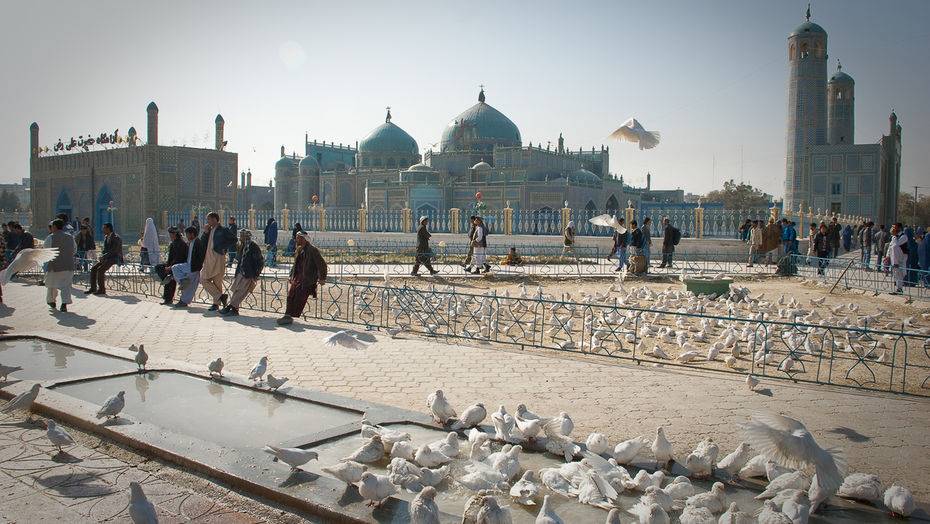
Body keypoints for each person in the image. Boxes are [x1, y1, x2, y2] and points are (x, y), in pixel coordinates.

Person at [278, 232, 327, 325]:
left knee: (299, 298)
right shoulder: (299, 249)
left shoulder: (313, 250)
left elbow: (322, 265)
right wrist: (291, 275)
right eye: (296, 238)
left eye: (298, 238)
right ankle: (287, 316)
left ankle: (290, 316)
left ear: (304, 239)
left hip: (307, 279)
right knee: (290, 296)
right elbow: (295, 265)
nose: (296, 240)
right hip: (297, 278)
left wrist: (322, 278)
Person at [199, 212, 237, 312]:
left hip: (218, 257)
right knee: (203, 279)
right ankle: (220, 296)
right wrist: (205, 232)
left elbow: (234, 239)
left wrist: (224, 248)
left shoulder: (223, 230)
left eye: (209, 219)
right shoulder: (209, 230)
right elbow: (203, 243)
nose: (208, 222)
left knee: (217, 282)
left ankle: (216, 304)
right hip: (208, 258)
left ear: (215, 219)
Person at [222, 229, 264, 316]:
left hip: (248, 273)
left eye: (241, 236)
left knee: (241, 291)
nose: (240, 237)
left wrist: (256, 274)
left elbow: (260, 261)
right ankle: (233, 308)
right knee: (236, 290)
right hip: (241, 272)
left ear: (246, 236)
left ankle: (231, 307)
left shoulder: (253, 246)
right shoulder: (242, 245)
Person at [44, 219, 77, 312]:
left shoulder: (50, 237)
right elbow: (74, 250)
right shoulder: (70, 237)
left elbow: (46, 250)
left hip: (54, 266)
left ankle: (51, 301)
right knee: (66, 285)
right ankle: (64, 304)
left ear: (54, 227)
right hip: (68, 265)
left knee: (51, 285)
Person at [86, 223, 122, 295]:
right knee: (93, 268)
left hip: (115, 257)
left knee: (100, 270)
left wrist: (104, 256)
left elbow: (114, 250)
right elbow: (105, 250)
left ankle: (102, 289)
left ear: (108, 229)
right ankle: (93, 288)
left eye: (104, 228)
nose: (103, 230)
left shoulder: (116, 237)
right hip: (107, 257)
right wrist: (102, 255)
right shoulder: (106, 237)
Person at [155, 227, 188, 305]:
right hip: (172, 264)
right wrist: (167, 265)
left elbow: (179, 257)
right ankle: (168, 278)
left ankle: (168, 298)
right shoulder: (174, 242)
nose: (170, 235)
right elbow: (171, 257)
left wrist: (170, 266)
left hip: (178, 266)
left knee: (169, 279)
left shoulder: (180, 243)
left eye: (171, 234)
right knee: (158, 267)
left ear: (175, 234)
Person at [171, 226, 203, 307]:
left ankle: (183, 301)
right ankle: (182, 280)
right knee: (175, 268)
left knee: (190, 287)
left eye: (187, 234)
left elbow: (200, 256)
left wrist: (199, 268)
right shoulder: (190, 242)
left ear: (192, 234)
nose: (186, 236)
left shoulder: (198, 243)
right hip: (188, 265)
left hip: (194, 267)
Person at [888, 223, 907, 294]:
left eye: (894, 227)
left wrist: (895, 236)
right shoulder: (894, 237)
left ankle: (900, 289)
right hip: (894, 259)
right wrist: (887, 256)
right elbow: (890, 247)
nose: (892, 229)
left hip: (901, 259)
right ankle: (898, 288)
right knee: (895, 274)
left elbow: (896, 245)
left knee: (900, 273)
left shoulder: (903, 236)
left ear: (898, 228)